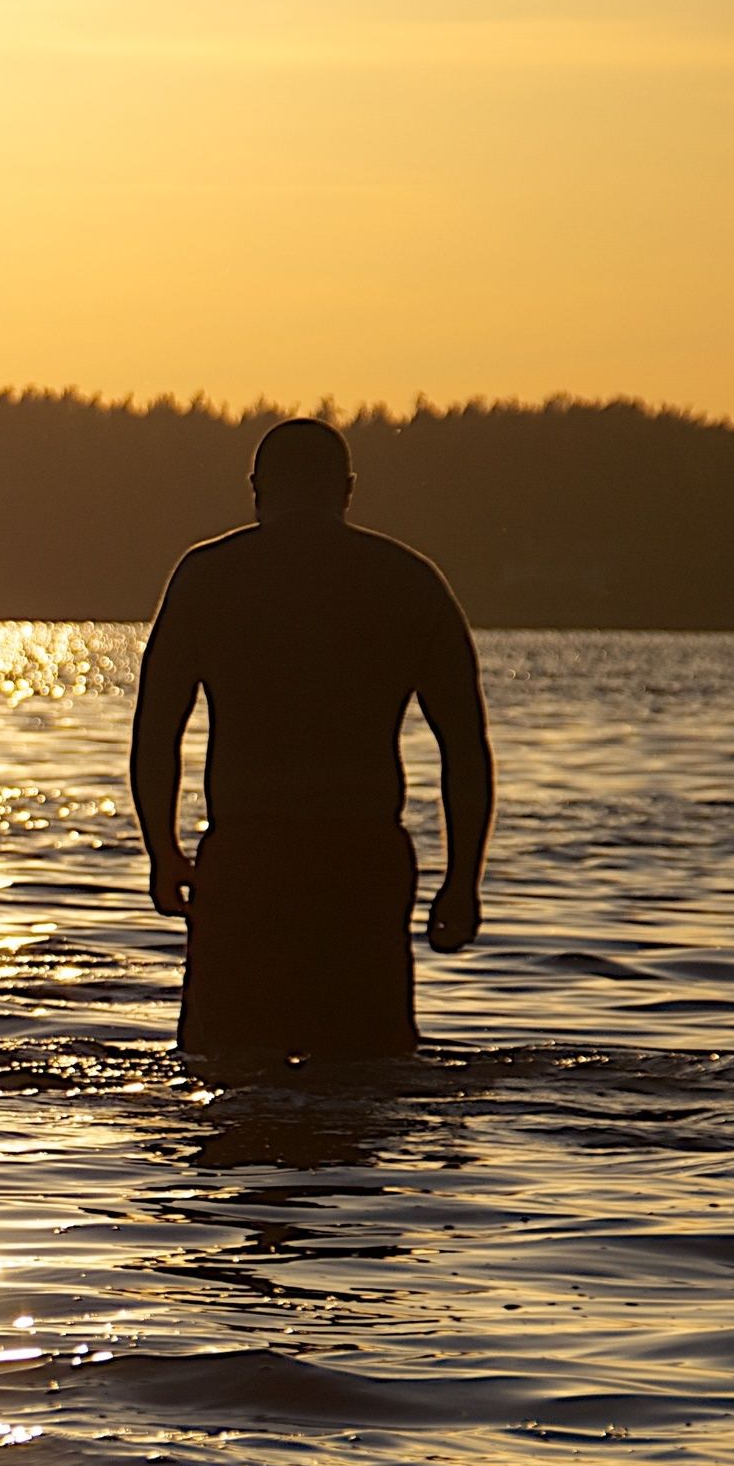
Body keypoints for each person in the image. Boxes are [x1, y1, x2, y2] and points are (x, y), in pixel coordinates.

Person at [130, 418, 493, 1065]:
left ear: (256, 489)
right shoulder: (409, 581)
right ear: (347, 489)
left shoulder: (208, 577)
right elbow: (464, 746)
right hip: (360, 862)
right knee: (367, 1077)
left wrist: (163, 849)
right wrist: (462, 879)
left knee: (227, 1070)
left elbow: (156, 730)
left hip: (247, 856)